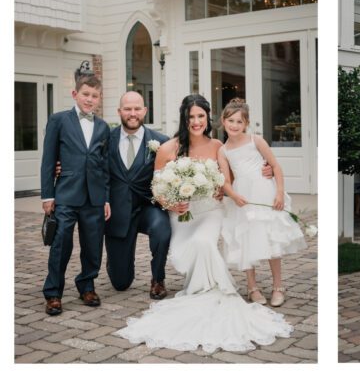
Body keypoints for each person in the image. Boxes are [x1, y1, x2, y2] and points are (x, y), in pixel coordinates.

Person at [116, 94, 291, 353]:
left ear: (208, 118)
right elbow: (157, 187)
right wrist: (171, 204)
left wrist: (263, 170)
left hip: (211, 211)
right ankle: (201, 283)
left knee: (203, 242)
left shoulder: (219, 145)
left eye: (201, 116)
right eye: (191, 117)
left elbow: (234, 176)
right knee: (186, 250)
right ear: (184, 118)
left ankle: (212, 289)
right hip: (182, 213)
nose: (196, 122)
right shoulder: (168, 148)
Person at [218, 99, 307, 307]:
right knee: (246, 239)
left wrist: (279, 192)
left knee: (270, 238)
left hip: (264, 192)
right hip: (243, 197)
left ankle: (278, 286)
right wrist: (233, 195)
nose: (234, 125)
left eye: (239, 122)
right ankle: (252, 287)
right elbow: (225, 180)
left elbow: (275, 166)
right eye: (231, 120)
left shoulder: (255, 141)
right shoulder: (223, 151)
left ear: (246, 123)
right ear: (223, 121)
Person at [40, 73, 111, 316]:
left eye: (94, 96)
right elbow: (48, 160)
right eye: (85, 94)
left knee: (93, 245)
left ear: (99, 99)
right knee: (61, 244)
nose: (89, 99)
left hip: (94, 198)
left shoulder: (103, 127)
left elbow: (105, 166)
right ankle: (53, 292)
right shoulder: (59, 120)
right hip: (66, 195)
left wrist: (106, 198)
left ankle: (87, 285)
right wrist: (47, 195)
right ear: (75, 94)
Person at [105, 91, 170, 300]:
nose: (132, 113)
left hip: (148, 207)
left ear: (144, 111)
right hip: (118, 212)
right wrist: (60, 168)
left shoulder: (161, 141)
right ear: (119, 112)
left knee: (162, 228)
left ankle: (158, 279)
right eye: (127, 109)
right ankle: (117, 262)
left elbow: (179, 168)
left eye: (136, 109)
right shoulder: (105, 140)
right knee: (120, 283)